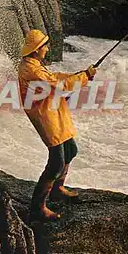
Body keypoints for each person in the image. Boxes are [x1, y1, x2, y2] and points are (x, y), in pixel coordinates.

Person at [18, 29, 97, 221]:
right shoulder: (33, 69)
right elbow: (58, 85)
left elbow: (54, 78)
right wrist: (84, 77)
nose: (46, 48)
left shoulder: (34, 64)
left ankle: (57, 189)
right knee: (56, 163)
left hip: (52, 110)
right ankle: (37, 208)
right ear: (36, 50)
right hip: (44, 116)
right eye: (44, 45)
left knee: (70, 149)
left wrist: (78, 75)